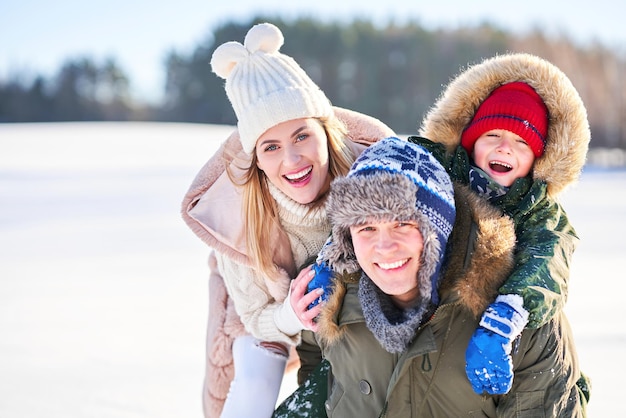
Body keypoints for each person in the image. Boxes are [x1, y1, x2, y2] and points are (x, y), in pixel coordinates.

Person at [180, 23, 394, 417]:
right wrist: (289, 316)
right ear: (257, 159)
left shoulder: (371, 176)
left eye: (301, 136)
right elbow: (254, 318)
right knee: (255, 374)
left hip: (344, 316)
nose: (292, 161)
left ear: (326, 132)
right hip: (257, 312)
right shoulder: (240, 219)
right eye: (271, 146)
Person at [303, 136, 586, 416]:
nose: (384, 247)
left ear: (438, 229)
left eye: (402, 223)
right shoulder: (328, 299)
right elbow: (313, 385)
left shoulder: (517, 322)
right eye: (366, 228)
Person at [408, 52, 591, 395]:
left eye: (522, 142)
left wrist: (510, 310)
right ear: (471, 142)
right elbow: (380, 203)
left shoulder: (538, 211)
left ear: (538, 158)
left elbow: (548, 262)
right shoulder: (437, 178)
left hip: (496, 331)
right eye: (493, 135)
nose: (505, 148)